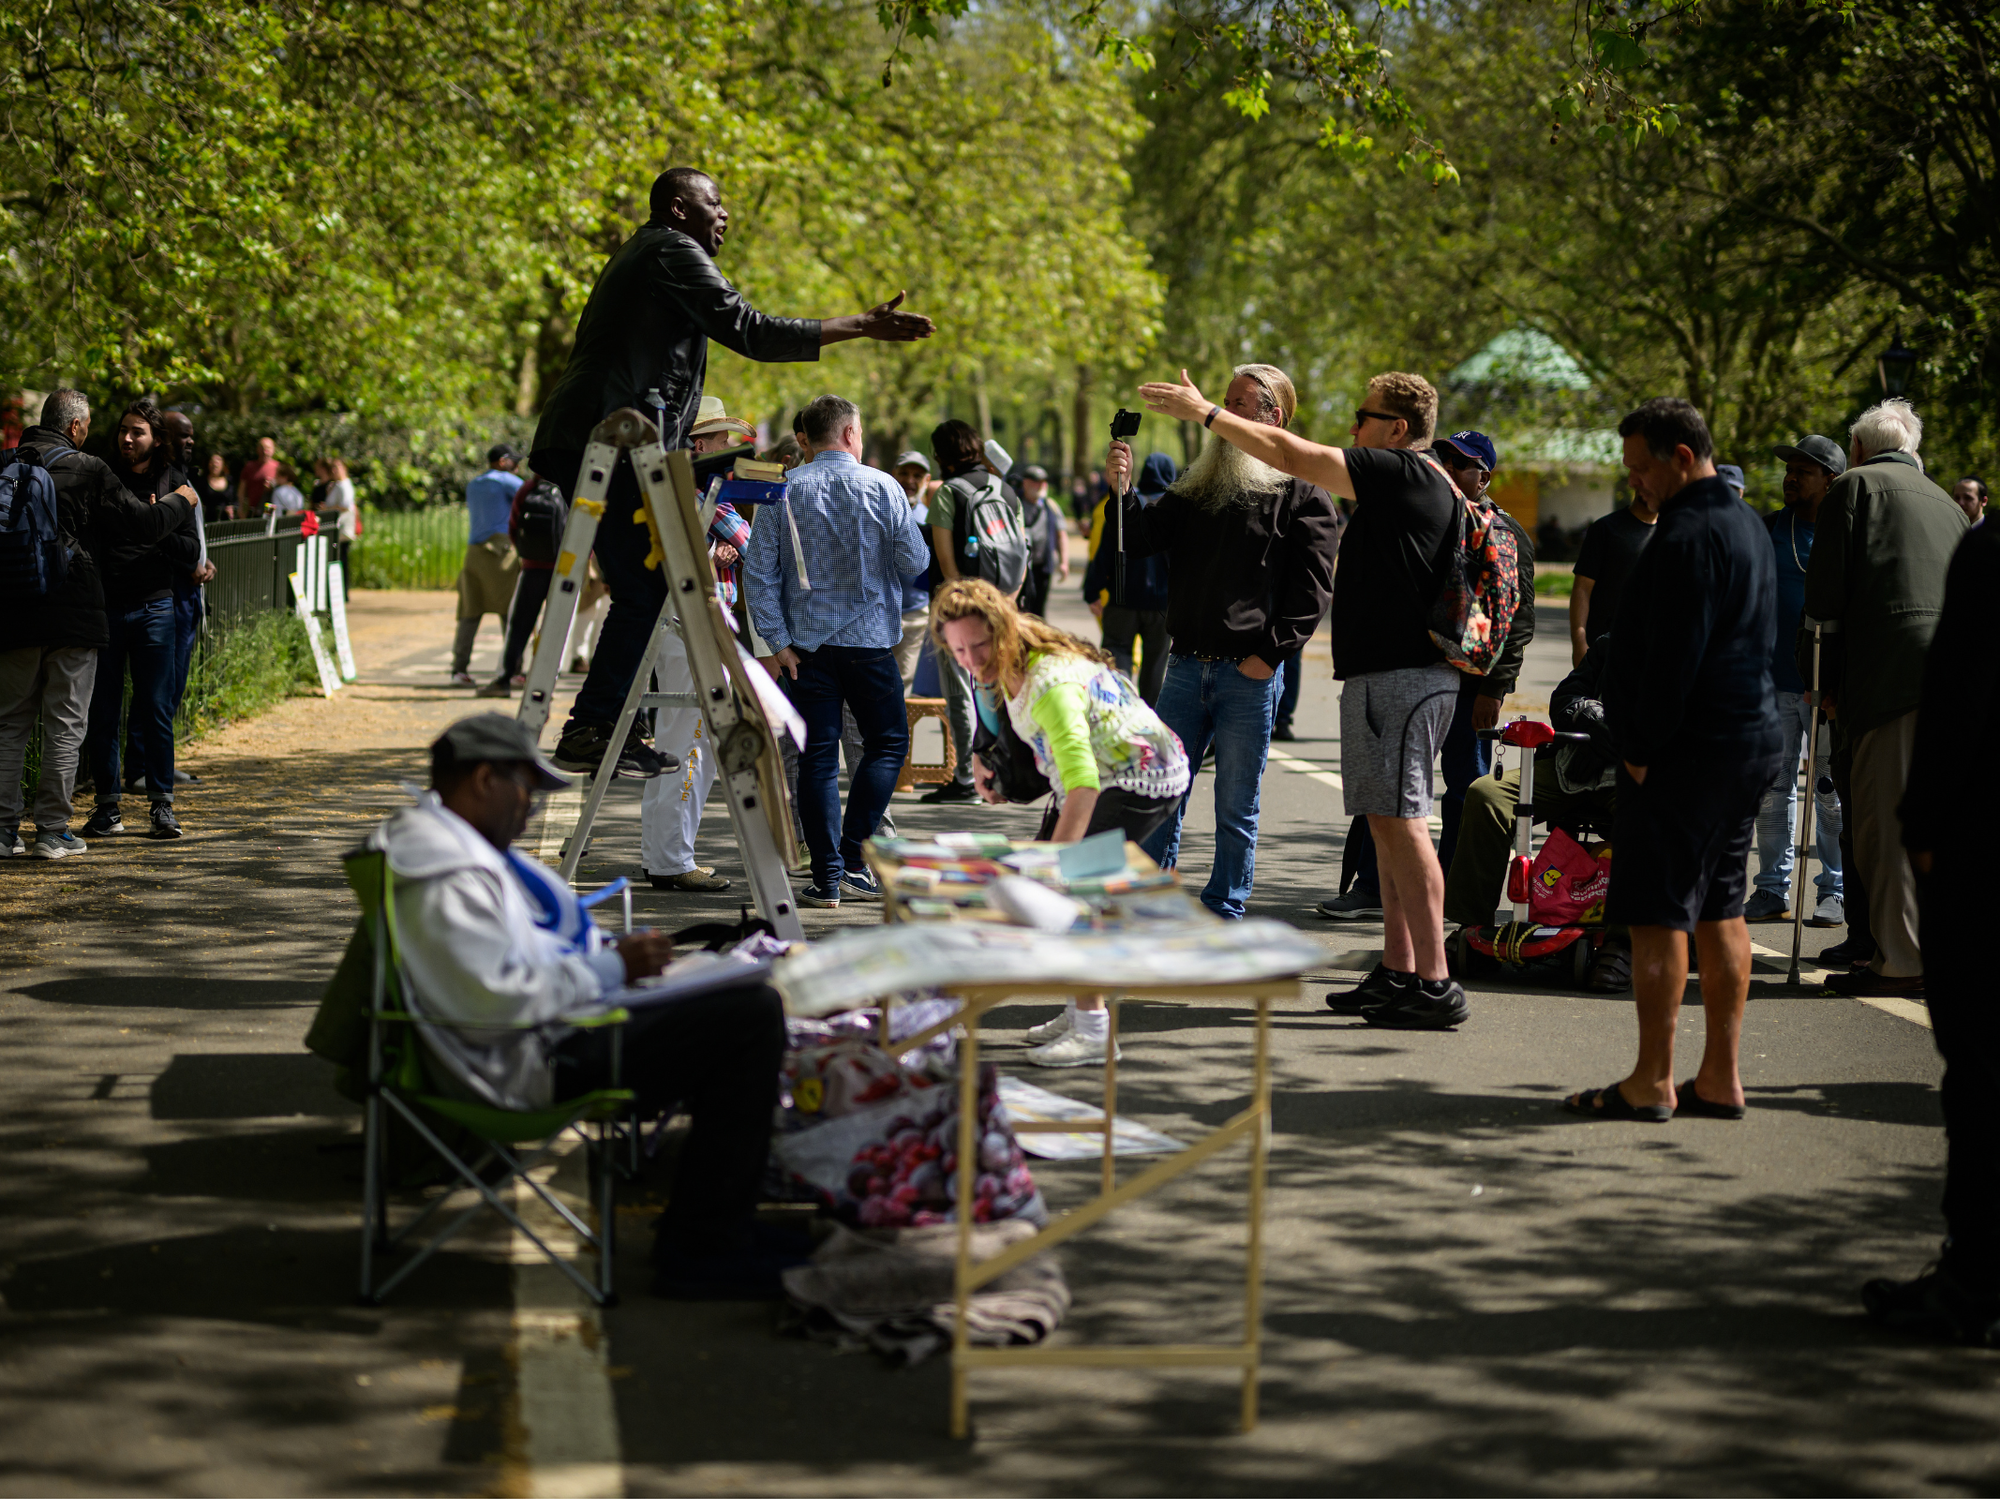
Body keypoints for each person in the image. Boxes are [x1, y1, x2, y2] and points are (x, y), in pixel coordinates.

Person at [359, 713, 794, 1298]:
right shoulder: (444, 871)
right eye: (526, 789)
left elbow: (505, 964)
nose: (532, 808)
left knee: (734, 994)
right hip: (531, 1060)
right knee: (750, 1017)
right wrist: (613, 967)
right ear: (485, 779)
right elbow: (497, 997)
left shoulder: (441, 847)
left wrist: (609, 960)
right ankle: (705, 1242)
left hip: (541, 1036)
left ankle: (715, 1227)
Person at [528, 166, 933, 779]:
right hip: (609, 439)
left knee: (643, 588)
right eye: (712, 202)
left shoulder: (652, 256)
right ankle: (597, 721)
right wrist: (860, 326)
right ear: (676, 206)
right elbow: (751, 329)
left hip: (605, 438)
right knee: (649, 587)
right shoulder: (671, 248)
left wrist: (726, 465)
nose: (724, 214)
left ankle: (596, 725)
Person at [1564, 397, 1779, 1122]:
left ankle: (1651, 1080)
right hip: (1747, 740)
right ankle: (1720, 1076)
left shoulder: (1686, 536)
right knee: (1722, 908)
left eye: (1641, 468)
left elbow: (1669, 661)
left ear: (1680, 457)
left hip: (1685, 749)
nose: (1637, 485)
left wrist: (1641, 751)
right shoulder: (1749, 524)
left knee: (1658, 915)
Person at [934, 578, 1191, 1067]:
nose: (970, 659)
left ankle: (1095, 1030)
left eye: (979, 645)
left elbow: (1084, 786)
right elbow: (1011, 732)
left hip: (1140, 777)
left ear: (1002, 630)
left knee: (1070, 894)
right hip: (1100, 772)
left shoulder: (1050, 685)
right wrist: (984, 763)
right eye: (958, 649)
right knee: (1051, 882)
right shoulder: (1010, 655)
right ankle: (1081, 1008)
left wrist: (1057, 869)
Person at [1121, 362, 1341, 923]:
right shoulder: (1198, 483)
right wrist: (1121, 492)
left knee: (1235, 805)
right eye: (1225, 401)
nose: (1225, 414)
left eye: (1241, 405)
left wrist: (1268, 656)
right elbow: (1142, 538)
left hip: (1251, 674)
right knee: (1160, 792)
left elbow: (1313, 590)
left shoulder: (1305, 491)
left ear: (1275, 418)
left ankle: (1224, 908)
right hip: (1186, 667)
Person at [1862, 520, 2000, 1346]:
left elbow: (1959, 696)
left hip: (1983, 845)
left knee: (1982, 1067)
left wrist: (1925, 822)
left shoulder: (1991, 557)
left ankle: (1975, 1278)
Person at [1804, 398, 1966, 998]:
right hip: (1951, 679)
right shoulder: (1946, 501)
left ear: (1861, 450)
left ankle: (1899, 961)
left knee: (1882, 823)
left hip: (1886, 679)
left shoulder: (1854, 487)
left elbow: (1824, 603)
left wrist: (1822, 683)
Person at [743, 394, 928, 907]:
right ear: (849, 434)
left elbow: (758, 575)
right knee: (888, 744)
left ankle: (825, 876)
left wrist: (777, 643)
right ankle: (851, 857)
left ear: (809, 435)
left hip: (806, 649)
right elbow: (913, 561)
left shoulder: (780, 490)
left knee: (817, 760)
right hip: (870, 645)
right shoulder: (884, 487)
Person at [3, 391, 198, 856]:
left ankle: (3, 830)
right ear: (75, 428)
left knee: (10, 724)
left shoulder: (5, 465)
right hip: (74, 613)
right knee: (66, 724)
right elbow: (144, 525)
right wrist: (182, 500)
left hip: (13, 612)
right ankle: (51, 831)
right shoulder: (88, 469)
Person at [1431, 635, 1626, 992]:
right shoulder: (1612, 643)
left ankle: (1621, 942)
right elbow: (1566, 697)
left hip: (1638, 771)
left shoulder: (1692, 649)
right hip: (1577, 764)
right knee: (1485, 794)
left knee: (1644, 816)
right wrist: (1588, 713)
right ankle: (1471, 925)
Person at [637, 396, 756, 894]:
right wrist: (718, 551)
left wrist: (717, 551)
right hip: (694, 626)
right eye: (722, 438)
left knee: (678, 738)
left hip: (682, 624)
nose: (728, 448)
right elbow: (749, 540)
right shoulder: (699, 489)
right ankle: (671, 859)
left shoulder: (682, 487)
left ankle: (662, 853)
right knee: (690, 742)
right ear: (700, 442)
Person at [83, 399, 204, 841]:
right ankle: (107, 808)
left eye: (137, 432)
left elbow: (191, 554)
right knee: (104, 710)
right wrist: (153, 522)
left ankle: (162, 806)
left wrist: (159, 530)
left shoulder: (175, 482)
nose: (128, 439)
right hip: (110, 609)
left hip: (155, 608)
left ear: (155, 439)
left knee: (155, 709)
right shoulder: (105, 479)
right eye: (123, 431)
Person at [1742, 434, 1847, 926]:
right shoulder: (1766, 530)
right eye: (1790, 468)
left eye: (1804, 470)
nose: (1791, 476)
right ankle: (1770, 889)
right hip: (1773, 684)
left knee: (1827, 792)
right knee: (1772, 789)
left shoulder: (1844, 531)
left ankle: (1835, 890)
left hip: (1825, 688)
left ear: (1830, 478)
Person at [917, 419, 1016, 806]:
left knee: (960, 691)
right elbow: (1019, 555)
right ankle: (1005, 772)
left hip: (959, 611)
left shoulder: (949, 494)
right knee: (1000, 688)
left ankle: (964, 777)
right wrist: (1004, 603)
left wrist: (959, 611)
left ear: (940, 456)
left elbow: (945, 561)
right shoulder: (1005, 489)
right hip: (1002, 606)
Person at [125, 410, 215, 789]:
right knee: (156, 688)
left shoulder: (182, 478)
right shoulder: (157, 483)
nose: (190, 441)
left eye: (192, 435)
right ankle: (139, 769)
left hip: (191, 593)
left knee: (173, 685)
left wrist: (202, 562)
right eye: (183, 435)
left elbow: (190, 535)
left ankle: (161, 763)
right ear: (164, 438)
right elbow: (155, 537)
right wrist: (187, 566)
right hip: (170, 594)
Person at [1084, 452, 1175, 707]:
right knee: (1155, 663)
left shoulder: (1126, 506)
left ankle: (1120, 706)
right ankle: (1149, 716)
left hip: (1122, 597)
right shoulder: (1173, 509)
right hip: (1162, 604)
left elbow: (1104, 552)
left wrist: (1092, 591)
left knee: (1118, 651)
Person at [451, 444, 524, 688]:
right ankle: (513, 671)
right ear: (503, 461)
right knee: (510, 614)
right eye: (514, 461)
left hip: (475, 553)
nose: (517, 466)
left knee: (470, 612)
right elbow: (531, 500)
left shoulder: (474, 484)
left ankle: (458, 670)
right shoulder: (508, 481)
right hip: (501, 553)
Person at [1569, 473, 1661, 665]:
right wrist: (1579, 641)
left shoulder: (1672, 533)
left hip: (1650, 651)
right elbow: (1582, 589)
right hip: (1603, 649)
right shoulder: (1605, 529)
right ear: (1637, 483)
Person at [888, 450, 935, 688]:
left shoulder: (932, 519)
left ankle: (901, 727)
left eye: (918, 475)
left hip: (915, 613)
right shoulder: (880, 511)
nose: (910, 480)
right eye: (904, 473)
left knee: (904, 683)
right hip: (880, 612)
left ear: (927, 480)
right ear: (893, 475)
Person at [1015, 464, 1069, 618]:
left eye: (1043, 482)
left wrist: (1064, 562)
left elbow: (1061, 534)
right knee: (1020, 609)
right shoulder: (1015, 503)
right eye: (1036, 481)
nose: (1041, 485)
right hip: (1020, 567)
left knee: (1039, 610)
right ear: (1025, 483)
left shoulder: (1050, 506)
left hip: (1042, 567)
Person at [237, 435, 278, 519]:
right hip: (251, 510)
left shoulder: (278, 467)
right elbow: (241, 490)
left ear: (273, 450)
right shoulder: (250, 466)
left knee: (267, 529)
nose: (265, 451)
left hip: (270, 510)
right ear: (257, 449)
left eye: (268, 448)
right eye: (262, 448)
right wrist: (240, 508)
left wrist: (273, 485)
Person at [199, 452, 233, 522]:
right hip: (207, 520)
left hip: (226, 521)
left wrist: (232, 509)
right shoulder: (202, 481)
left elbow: (235, 501)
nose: (215, 464)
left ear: (223, 464)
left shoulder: (230, 481)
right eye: (212, 461)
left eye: (218, 460)